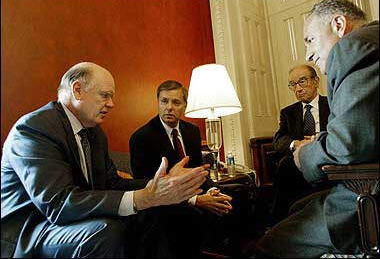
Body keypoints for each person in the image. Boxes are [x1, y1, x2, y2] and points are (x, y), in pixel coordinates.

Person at [1, 62, 209, 258]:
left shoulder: (94, 133)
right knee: (107, 231)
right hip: (31, 231)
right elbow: (58, 204)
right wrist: (142, 198)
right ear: (77, 90)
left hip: (69, 222)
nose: (111, 104)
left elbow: (113, 184)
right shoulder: (34, 129)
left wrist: (163, 186)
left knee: (158, 212)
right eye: (105, 95)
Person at [250, 0, 378, 257]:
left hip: (367, 197)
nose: (307, 53)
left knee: (265, 248)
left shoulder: (353, 46)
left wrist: (306, 153)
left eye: (309, 39)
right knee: (296, 207)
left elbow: (347, 144)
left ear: (339, 24)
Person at [129, 80, 255, 255]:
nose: (169, 108)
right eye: (164, 101)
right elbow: (148, 186)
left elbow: (199, 170)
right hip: (166, 202)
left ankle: (238, 249)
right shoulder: (141, 138)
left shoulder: (192, 131)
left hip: (196, 190)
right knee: (193, 214)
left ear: (185, 106)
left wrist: (211, 191)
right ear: (158, 102)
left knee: (241, 191)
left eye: (176, 102)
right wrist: (197, 200)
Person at [270, 64, 330, 224]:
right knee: (285, 164)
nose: (298, 89)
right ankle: (280, 222)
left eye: (302, 82)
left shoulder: (332, 104)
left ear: (316, 81)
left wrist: (317, 141)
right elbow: (279, 140)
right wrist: (296, 144)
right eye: (293, 85)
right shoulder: (288, 112)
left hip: (326, 154)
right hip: (299, 161)